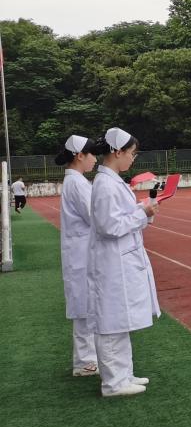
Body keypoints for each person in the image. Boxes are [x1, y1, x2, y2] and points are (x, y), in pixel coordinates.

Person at [86, 128, 159, 397]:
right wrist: (142, 214)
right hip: (112, 262)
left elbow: (121, 217)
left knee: (121, 321)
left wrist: (143, 210)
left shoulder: (113, 181)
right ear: (117, 152)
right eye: (131, 153)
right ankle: (113, 383)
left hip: (121, 259)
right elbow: (109, 226)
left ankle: (123, 374)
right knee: (111, 322)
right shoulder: (105, 185)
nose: (133, 158)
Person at [57, 135, 100, 378]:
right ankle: (85, 362)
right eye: (92, 154)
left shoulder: (77, 181)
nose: (95, 159)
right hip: (81, 254)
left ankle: (88, 359)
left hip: (81, 252)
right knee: (84, 308)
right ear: (79, 155)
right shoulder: (76, 183)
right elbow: (95, 216)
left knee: (86, 306)